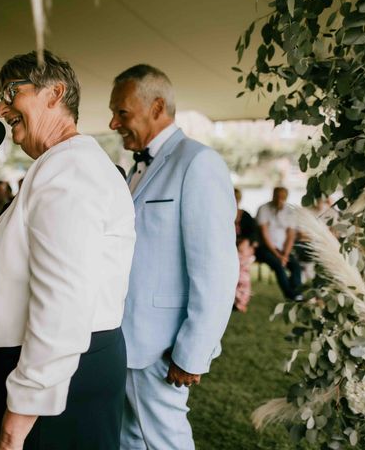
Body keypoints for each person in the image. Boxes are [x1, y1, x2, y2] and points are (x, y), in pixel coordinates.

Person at [0, 50, 136, 450]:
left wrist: (13, 431)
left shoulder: (68, 170)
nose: (0, 106)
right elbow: (24, 262)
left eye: (12, 91)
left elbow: (62, 303)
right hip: (70, 367)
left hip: (61, 375)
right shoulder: (63, 164)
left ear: (54, 93)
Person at [109, 64, 238, 449]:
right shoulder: (135, 169)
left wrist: (192, 352)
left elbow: (216, 269)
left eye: (122, 113)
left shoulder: (198, 163)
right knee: (130, 438)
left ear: (157, 107)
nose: (113, 123)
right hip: (123, 337)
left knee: (166, 441)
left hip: (161, 346)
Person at [255, 187, 302, 300]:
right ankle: (291, 295)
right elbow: (265, 235)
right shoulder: (263, 209)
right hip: (266, 248)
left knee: (296, 266)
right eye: (277, 197)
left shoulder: (290, 212)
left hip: (283, 249)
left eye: (282, 198)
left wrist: (285, 255)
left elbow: (291, 236)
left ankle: (296, 292)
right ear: (273, 195)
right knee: (278, 265)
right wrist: (278, 256)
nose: (279, 200)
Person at [234, 188, 257, 313]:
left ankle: (241, 300)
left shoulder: (245, 215)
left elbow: (253, 234)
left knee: (242, 270)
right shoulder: (223, 215)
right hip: (230, 250)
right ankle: (233, 299)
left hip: (243, 250)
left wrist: (247, 241)